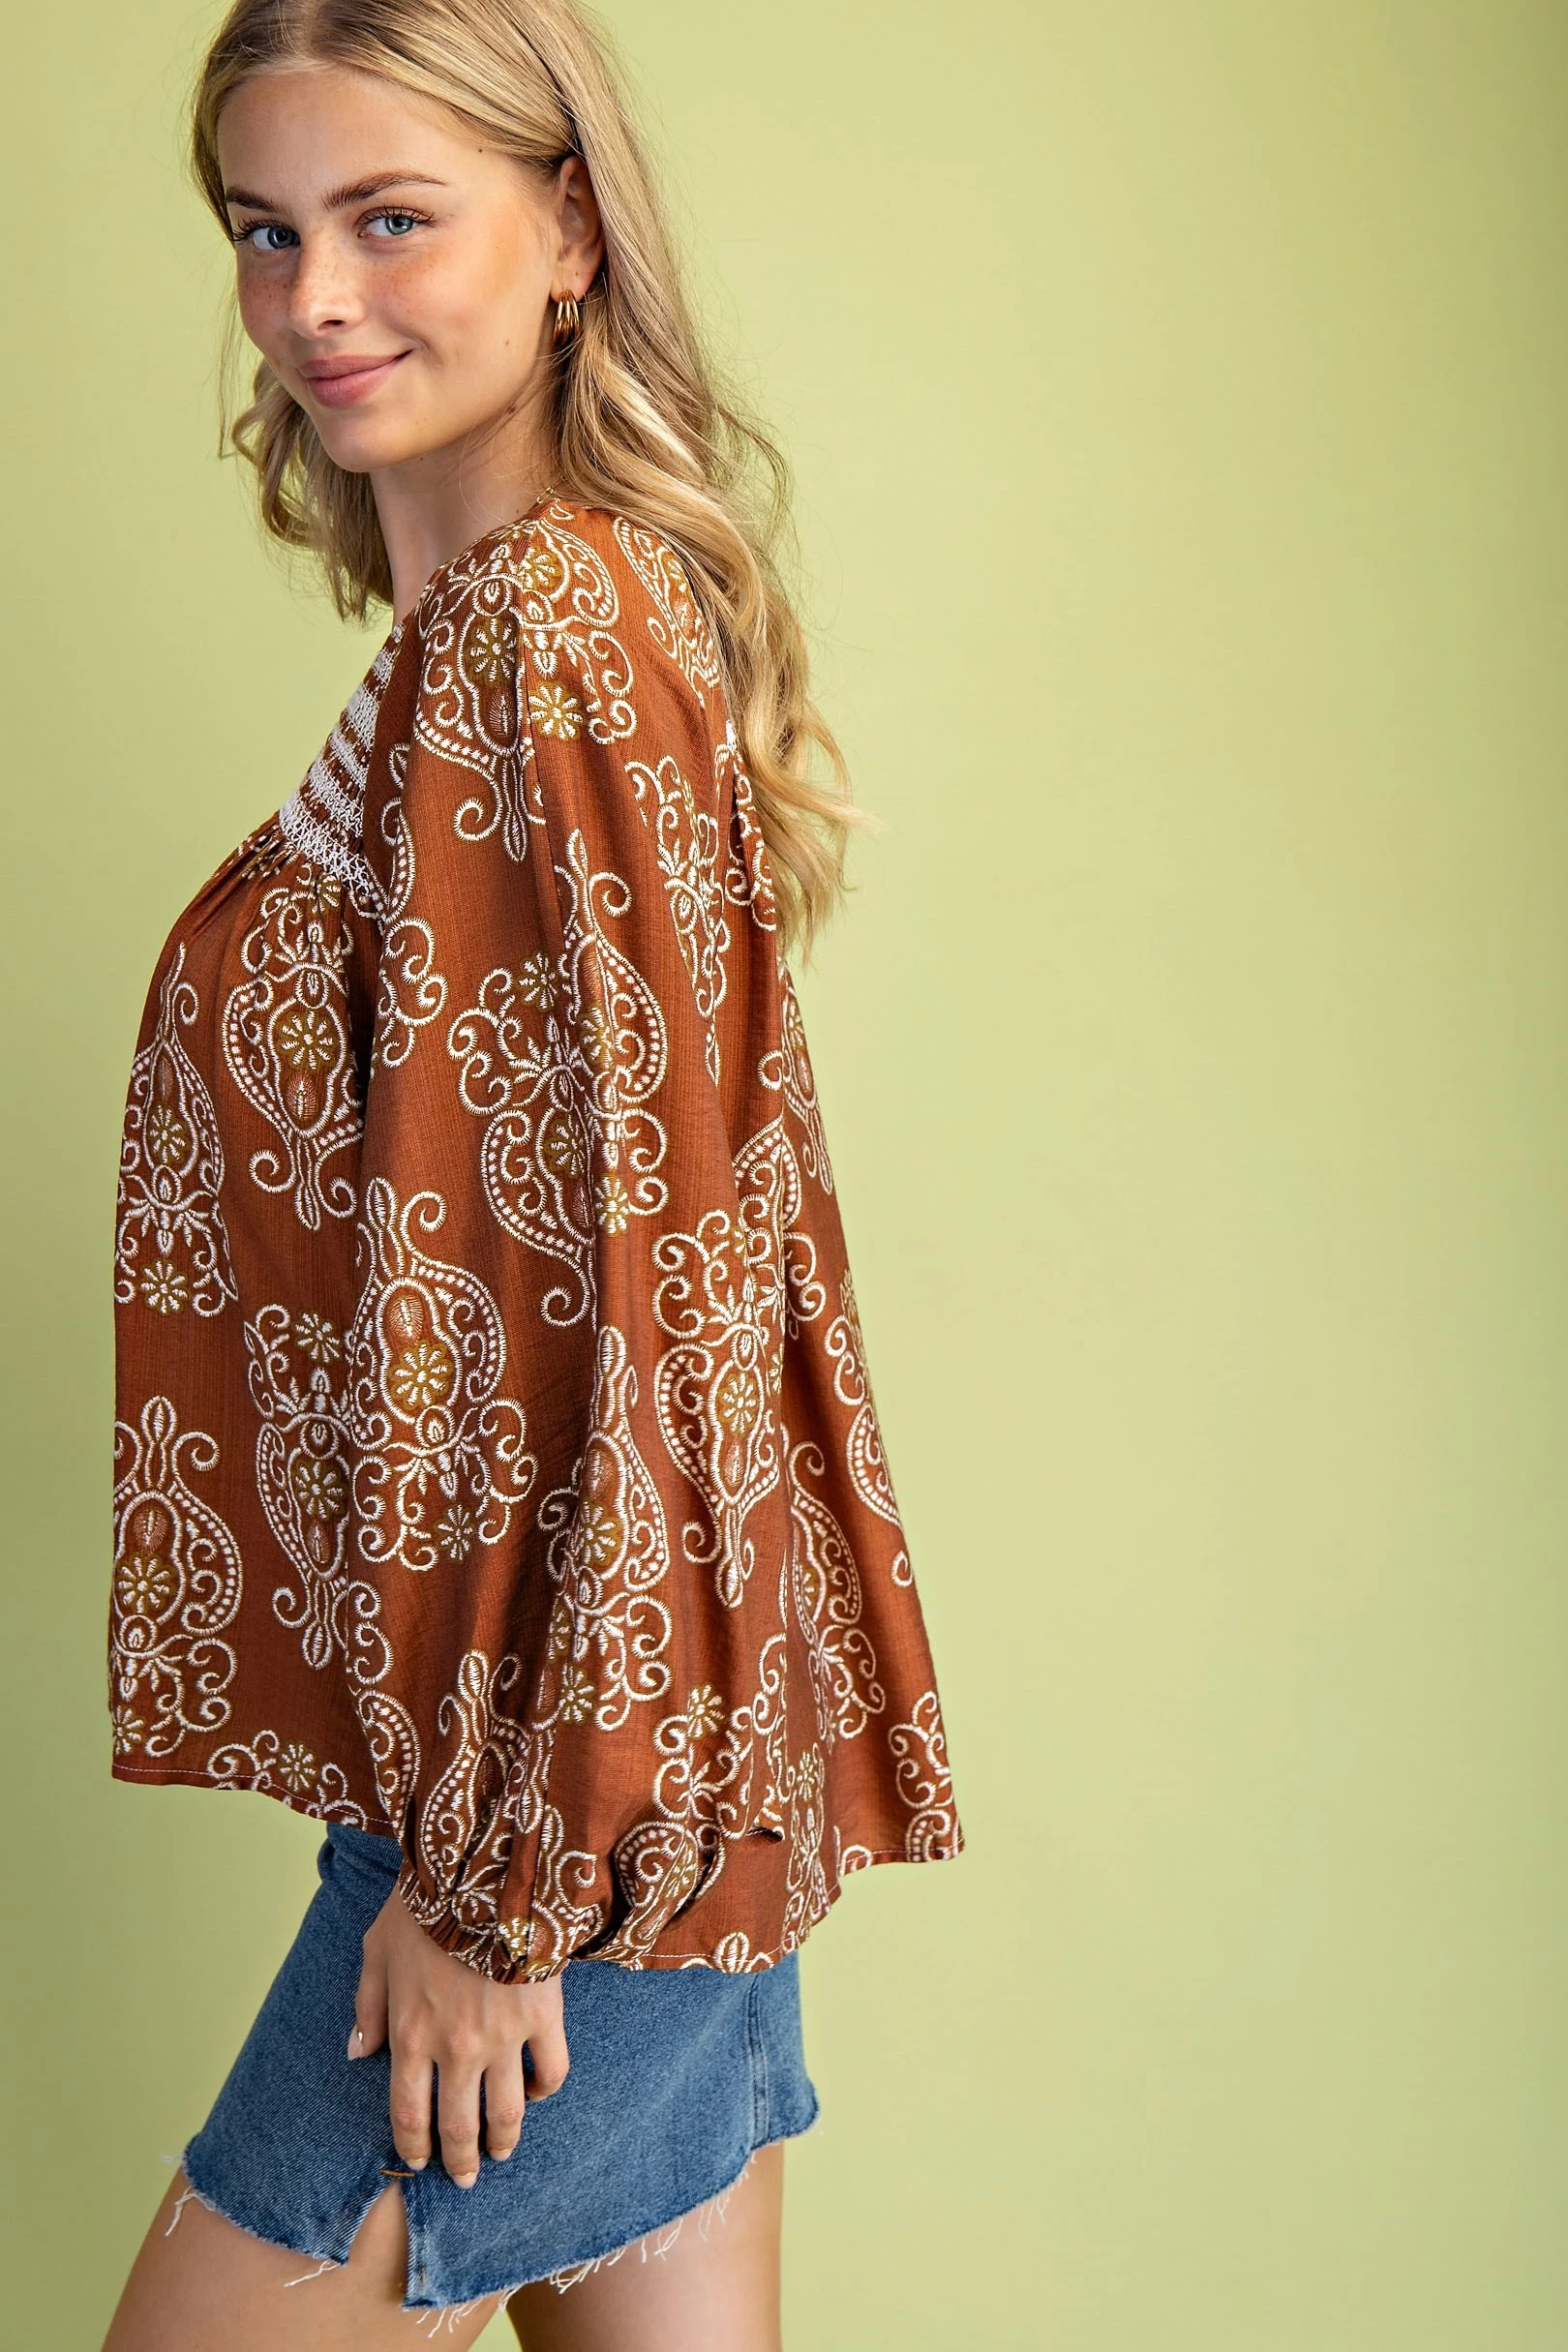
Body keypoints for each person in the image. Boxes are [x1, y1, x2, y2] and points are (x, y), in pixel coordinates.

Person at [103, 2, 963, 2344]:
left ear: (569, 228)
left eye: (393, 219)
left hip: (553, 1814)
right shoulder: (555, 615)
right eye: (265, 231)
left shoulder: (542, 631)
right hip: (640, 1759)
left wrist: (496, 1888)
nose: (315, 301)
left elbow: (625, 1297)